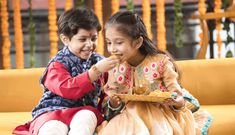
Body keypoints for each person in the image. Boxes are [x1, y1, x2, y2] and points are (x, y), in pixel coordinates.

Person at [98, 11, 212, 135]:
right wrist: (114, 103)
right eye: (109, 42)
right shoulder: (113, 68)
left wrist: (176, 101)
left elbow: (177, 95)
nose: (112, 49)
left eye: (119, 42)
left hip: (160, 115)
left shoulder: (161, 63)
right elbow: (110, 105)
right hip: (127, 117)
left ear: (137, 43)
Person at [13, 8, 119, 135]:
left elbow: (108, 91)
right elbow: (67, 89)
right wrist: (94, 72)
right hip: (52, 112)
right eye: (82, 39)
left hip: (83, 111)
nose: (89, 44)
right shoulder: (57, 64)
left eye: (93, 38)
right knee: (53, 128)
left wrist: (113, 97)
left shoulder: (99, 61)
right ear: (65, 39)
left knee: (87, 117)